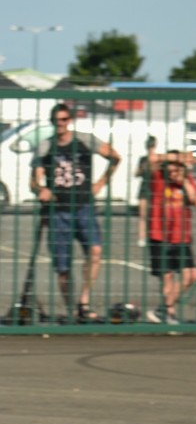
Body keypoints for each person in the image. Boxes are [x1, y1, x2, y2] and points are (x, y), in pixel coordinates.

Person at [31, 103, 121, 322]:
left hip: (83, 206)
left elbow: (115, 157)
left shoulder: (84, 140)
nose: (60, 124)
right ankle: (72, 310)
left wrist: (100, 182)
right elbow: (34, 180)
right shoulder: (46, 146)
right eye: (56, 120)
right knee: (63, 266)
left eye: (64, 119)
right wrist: (41, 189)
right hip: (58, 210)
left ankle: (84, 302)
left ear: (69, 120)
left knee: (95, 251)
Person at [139, 154, 196, 324]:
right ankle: (168, 314)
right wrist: (175, 157)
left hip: (181, 236)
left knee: (191, 275)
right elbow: (151, 160)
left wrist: (184, 181)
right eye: (171, 167)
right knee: (167, 278)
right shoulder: (159, 178)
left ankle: (163, 309)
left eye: (178, 168)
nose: (174, 171)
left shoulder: (187, 180)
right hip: (160, 235)